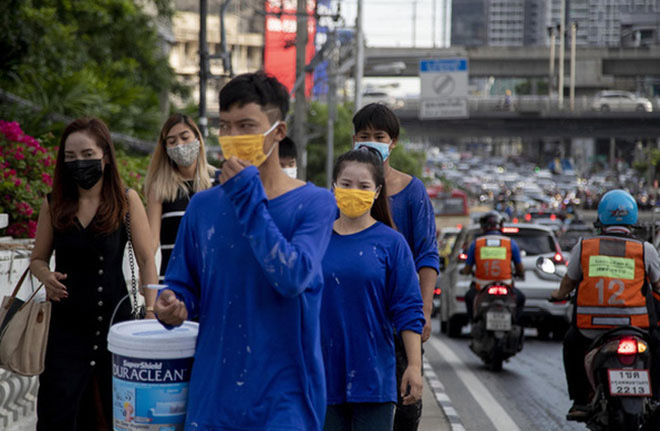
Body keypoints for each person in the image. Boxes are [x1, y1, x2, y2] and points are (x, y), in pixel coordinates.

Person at [153, 71, 337, 431]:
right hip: (213, 401)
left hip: (286, 403)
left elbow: (292, 275)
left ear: (278, 132)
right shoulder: (202, 208)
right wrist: (172, 305)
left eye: (247, 125)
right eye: (225, 126)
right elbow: (183, 287)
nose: (233, 138)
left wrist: (246, 195)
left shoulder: (315, 204)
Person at [29, 117, 158, 430]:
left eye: (87, 155)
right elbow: (37, 259)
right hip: (65, 329)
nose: (79, 163)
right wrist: (45, 276)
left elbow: (145, 258)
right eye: (70, 157)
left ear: (106, 156)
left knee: (115, 414)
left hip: (114, 325)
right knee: (59, 410)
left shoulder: (126, 200)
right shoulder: (53, 203)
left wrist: (151, 310)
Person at [321, 147, 425, 431]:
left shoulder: (392, 243)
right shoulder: (314, 240)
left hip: (374, 378)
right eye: (346, 184)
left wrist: (413, 367)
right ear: (334, 187)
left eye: (363, 185)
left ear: (377, 191)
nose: (354, 191)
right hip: (320, 378)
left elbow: (408, 309)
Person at [352, 103, 439, 431]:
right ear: (353, 139)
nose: (371, 141)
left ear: (393, 142)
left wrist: (424, 311)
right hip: (355, 321)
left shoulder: (412, 192)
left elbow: (427, 255)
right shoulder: (346, 191)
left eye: (379, 136)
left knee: (404, 410)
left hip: (399, 323)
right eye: (364, 135)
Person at [551, 190, 660, 421]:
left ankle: (580, 401)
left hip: (590, 329)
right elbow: (658, 286)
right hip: (636, 329)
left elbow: (568, 283)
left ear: (601, 217)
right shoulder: (645, 249)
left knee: (571, 345)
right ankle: (656, 397)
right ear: (633, 218)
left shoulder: (585, 247)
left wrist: (557, 294)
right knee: (657, 348)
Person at [145, 113, 217, 281]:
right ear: (165, 148)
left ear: (197, 139)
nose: (179, 145)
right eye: (172, 141)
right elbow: (152, 240)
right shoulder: (160, 188)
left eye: (185, 138)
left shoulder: (219, 181)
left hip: (213, 279)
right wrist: (145, 268)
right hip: (173, 281)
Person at [461, 211, 526, 323]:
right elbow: (520, 268)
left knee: (468, 297)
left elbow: (467, 269)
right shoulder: (510, 243)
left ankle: (474, 323)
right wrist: (520, 274)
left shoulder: (476, 243)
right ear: (500, 225)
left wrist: (465, 271)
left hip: (481, 287)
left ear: (483, 227)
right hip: (506, 285)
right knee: (521, 298)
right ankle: (515, 323)